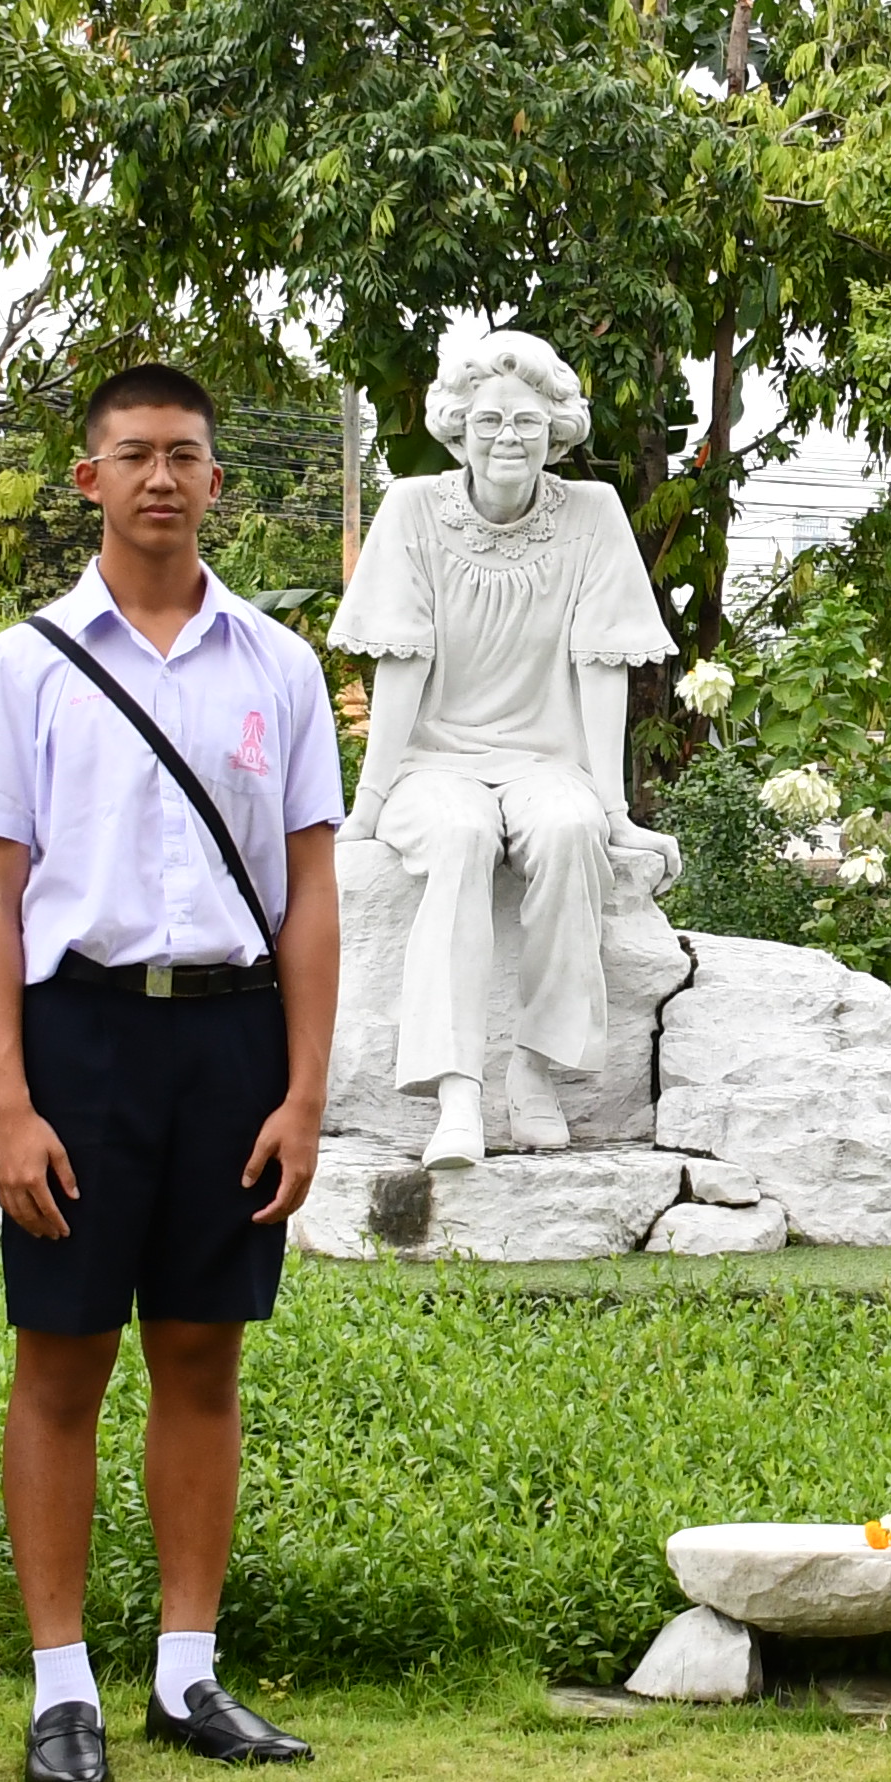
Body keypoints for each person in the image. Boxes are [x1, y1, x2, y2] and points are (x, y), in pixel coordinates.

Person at [0, 363, 344, 1782]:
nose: (161, 478)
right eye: (132, 455)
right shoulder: (22, 665)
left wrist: (304, 1094)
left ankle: (187, 1672)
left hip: (229, 1043)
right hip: (79, 1039)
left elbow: (309, 892)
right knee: (61, 1362)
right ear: (87, 480)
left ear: (218, 482)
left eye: (186, 454)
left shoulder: (280, 667)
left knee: (202, 1355)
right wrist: (7, 1100)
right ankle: (62, 1691)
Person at [331, 326, 675, 1167]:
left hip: (545, 764)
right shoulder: (414, 508)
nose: (507, 438)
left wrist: (613, 807)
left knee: (567, 830)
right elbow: (401, 665)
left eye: (526, 422)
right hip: (432, 767)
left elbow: (602, 664)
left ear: (556, 431)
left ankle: (535, 1070)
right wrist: (367, 807)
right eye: (488, 421)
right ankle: (457, 1092)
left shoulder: (591, 517)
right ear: (457, 427)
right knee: (458, 836)